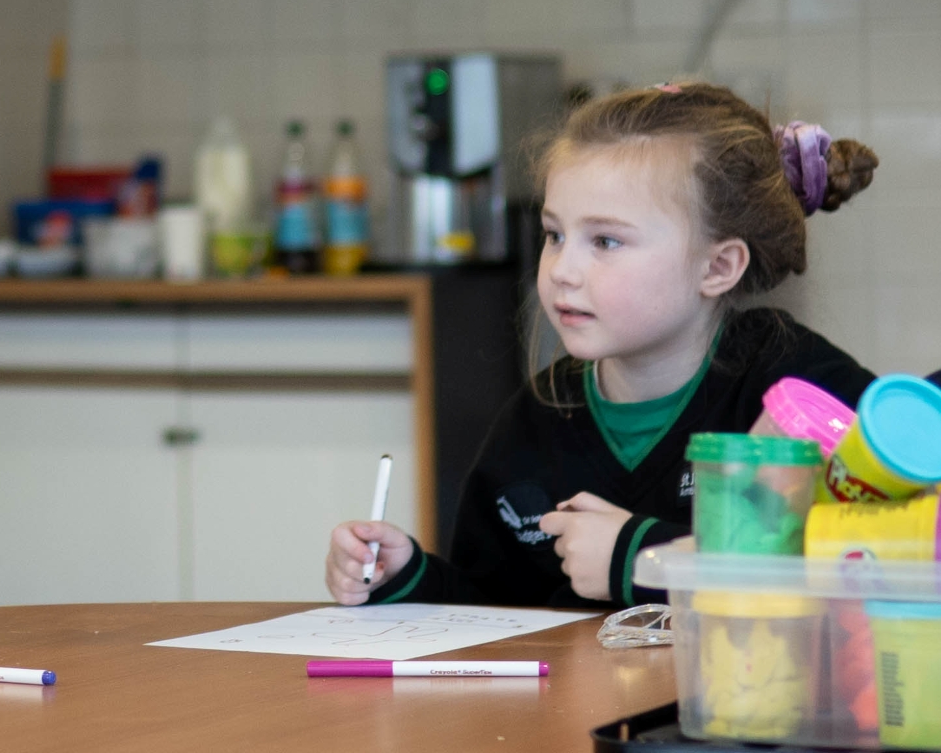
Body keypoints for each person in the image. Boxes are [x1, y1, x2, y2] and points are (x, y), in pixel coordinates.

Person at [329, 81, 878, 609]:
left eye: (606, 241)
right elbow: (492, 612)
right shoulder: (532, 422)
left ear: (718, 266)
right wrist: (407, 579)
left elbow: (870, 568)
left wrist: (638, 559)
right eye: (554, 235)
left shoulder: (807, 392)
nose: (563, 270)